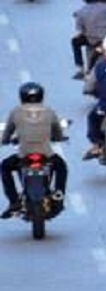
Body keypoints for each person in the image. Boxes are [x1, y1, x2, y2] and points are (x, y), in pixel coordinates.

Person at [1, 83, 68, 219]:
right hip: (46, 154)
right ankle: (59, 194)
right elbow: (58, 132)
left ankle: (14, 201)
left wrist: (5, 140)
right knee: (61, 166)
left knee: (5, 166)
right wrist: (59, 138)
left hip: (24, 155)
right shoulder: (49, 111)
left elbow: (7, 133)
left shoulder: (16, 112)